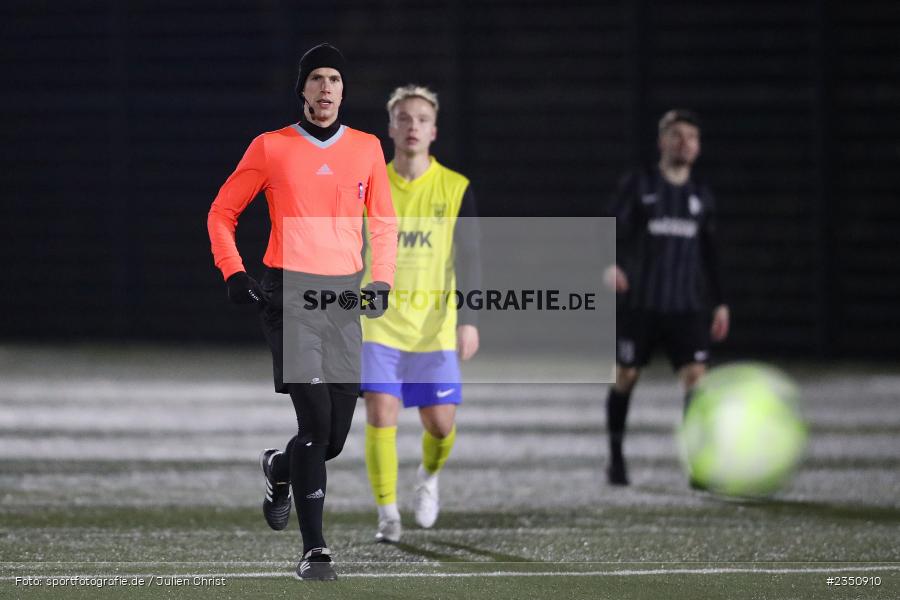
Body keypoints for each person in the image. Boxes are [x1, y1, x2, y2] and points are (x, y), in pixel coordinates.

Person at [207, 43, 397, 580]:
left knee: (332, 441)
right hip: (289, 297)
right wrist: (234, 272)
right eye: (317, 78)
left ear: (343, 90)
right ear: (303, 89)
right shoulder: (271, 147)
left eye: (334, 78)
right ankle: (315, 551)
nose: (326, 87)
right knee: (314, 425)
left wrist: (382, 281)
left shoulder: (366, 148)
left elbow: (384, 223)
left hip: (344, 301)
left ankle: (279, 466)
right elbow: (221, 213)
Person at [360, 84, 481, 543]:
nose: (413, 127)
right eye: (404, 118)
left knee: (441, 425)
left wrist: (469, 320)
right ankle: (387, 512)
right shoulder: (369, 185)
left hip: (434, 327)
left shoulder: (455, 188)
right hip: (379, 325)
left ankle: (428, 478)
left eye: (422, 120)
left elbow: (470, 258)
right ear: (391, 128)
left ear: (434, 131)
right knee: (381, 413)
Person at [605, 109, 730, 486]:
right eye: (677, 135)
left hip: (686, 307)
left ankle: (697, 463)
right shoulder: (639, 185)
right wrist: (610, 264)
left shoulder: (701, 195)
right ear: (663, 141)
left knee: (695, 379)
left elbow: (710, 252)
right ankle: (616, 458)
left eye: (692, 137)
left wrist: (720, 302)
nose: (685, 143)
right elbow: (611, 229)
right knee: (625, 376)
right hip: (640, 304)